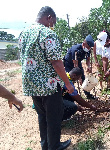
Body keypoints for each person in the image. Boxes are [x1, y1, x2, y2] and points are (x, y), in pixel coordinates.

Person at [18, 6, 74, 150]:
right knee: (54, 116)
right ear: (49, 17)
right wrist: (67, 83)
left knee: (42, 115)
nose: (52, 26)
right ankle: (54, 146)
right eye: (52, 23)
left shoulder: (24, 33)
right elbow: (56, 62)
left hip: (31, 84)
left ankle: (46, 145)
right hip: (48, 85)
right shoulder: (47, 33)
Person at [63, 35, 96, 100]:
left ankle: (88, 95)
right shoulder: (75, 49)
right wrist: (79, 78)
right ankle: (69, 95)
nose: (89, 49)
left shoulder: (87, 50)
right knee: (70, 78)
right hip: (69, 64)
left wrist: (88, 66)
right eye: (88, 47)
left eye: (90, 48)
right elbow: (75, 65)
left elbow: (88, 60)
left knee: (83, 78)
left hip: (78, 63)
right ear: (83, 44)